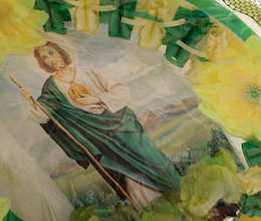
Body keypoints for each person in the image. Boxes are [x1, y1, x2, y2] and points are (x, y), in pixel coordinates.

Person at [20, 41, 180, 209]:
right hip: (96, 139)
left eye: (51, 53)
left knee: (152, 159)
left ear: (60, 52)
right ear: (42, 64)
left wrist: (98, 99)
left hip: (122, 126)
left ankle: (179, 192)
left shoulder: (86, 70)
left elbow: (121, 89)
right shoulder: (51, 88)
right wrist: (29, 100)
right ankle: (154, 207)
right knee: (124, 175)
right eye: (44, 58)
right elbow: (44, 115)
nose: (49, 59)